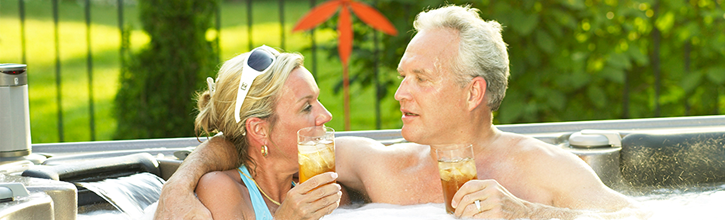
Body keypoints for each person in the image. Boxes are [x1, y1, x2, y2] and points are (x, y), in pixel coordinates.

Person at [155, 5, 644, 220]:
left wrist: (528, 214)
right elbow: (246, 145)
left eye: (420, 79)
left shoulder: (539, 167)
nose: (399, 94)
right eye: (401, 77)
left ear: (473, 92)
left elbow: (640, 219)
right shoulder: (377, 163)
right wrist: (179, 184)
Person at [181, 46, 342, 219]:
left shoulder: (310, 185)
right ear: (259, 130)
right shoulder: (221, 190)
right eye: (307, 107)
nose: (326, 115)